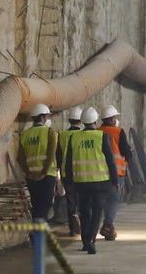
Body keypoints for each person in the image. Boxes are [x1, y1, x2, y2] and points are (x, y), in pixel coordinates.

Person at [63, 107, 119, 254]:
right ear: (95, 121)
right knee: (97, 212)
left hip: (81, 183)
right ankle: (92, 240)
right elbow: (110, 161)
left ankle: (85, 241)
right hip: (101, 182)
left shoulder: (74, 138)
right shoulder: (102, 137)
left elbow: (68, 162)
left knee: (84, 212)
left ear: (83, 121)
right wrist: (115, 180)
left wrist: (69, 181)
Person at [18, 103, 62, 224]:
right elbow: (50, 154)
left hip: (31, 176)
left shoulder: (25, 134)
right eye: (47, 116)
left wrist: (28, 173)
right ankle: (38, 232)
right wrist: (44, 172)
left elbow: (20, 158)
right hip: (47, 175)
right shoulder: (50, 132)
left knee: (36, 205)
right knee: (46, 204)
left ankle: (37, 232)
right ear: (42, 117)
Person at [94, 106, 132, 240]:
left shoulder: (97, 132)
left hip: (99, 172)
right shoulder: (118, 132)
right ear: (110, 119)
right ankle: (108, 225)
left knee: (101, 200)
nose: (116, 120)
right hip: (117, 172)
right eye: (114, 117)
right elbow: (126, 153)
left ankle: (105, 225)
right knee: (114, 200)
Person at [52, 108, 84, 236]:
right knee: (82, 200)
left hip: (66, 173)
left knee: (70, 200)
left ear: (69, 120)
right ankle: (82, 224)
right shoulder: (83, 134)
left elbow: (58, 155)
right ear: (81, 120)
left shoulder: (62, 135)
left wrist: (58, 171)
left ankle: (72, 228)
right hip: (82, 173)